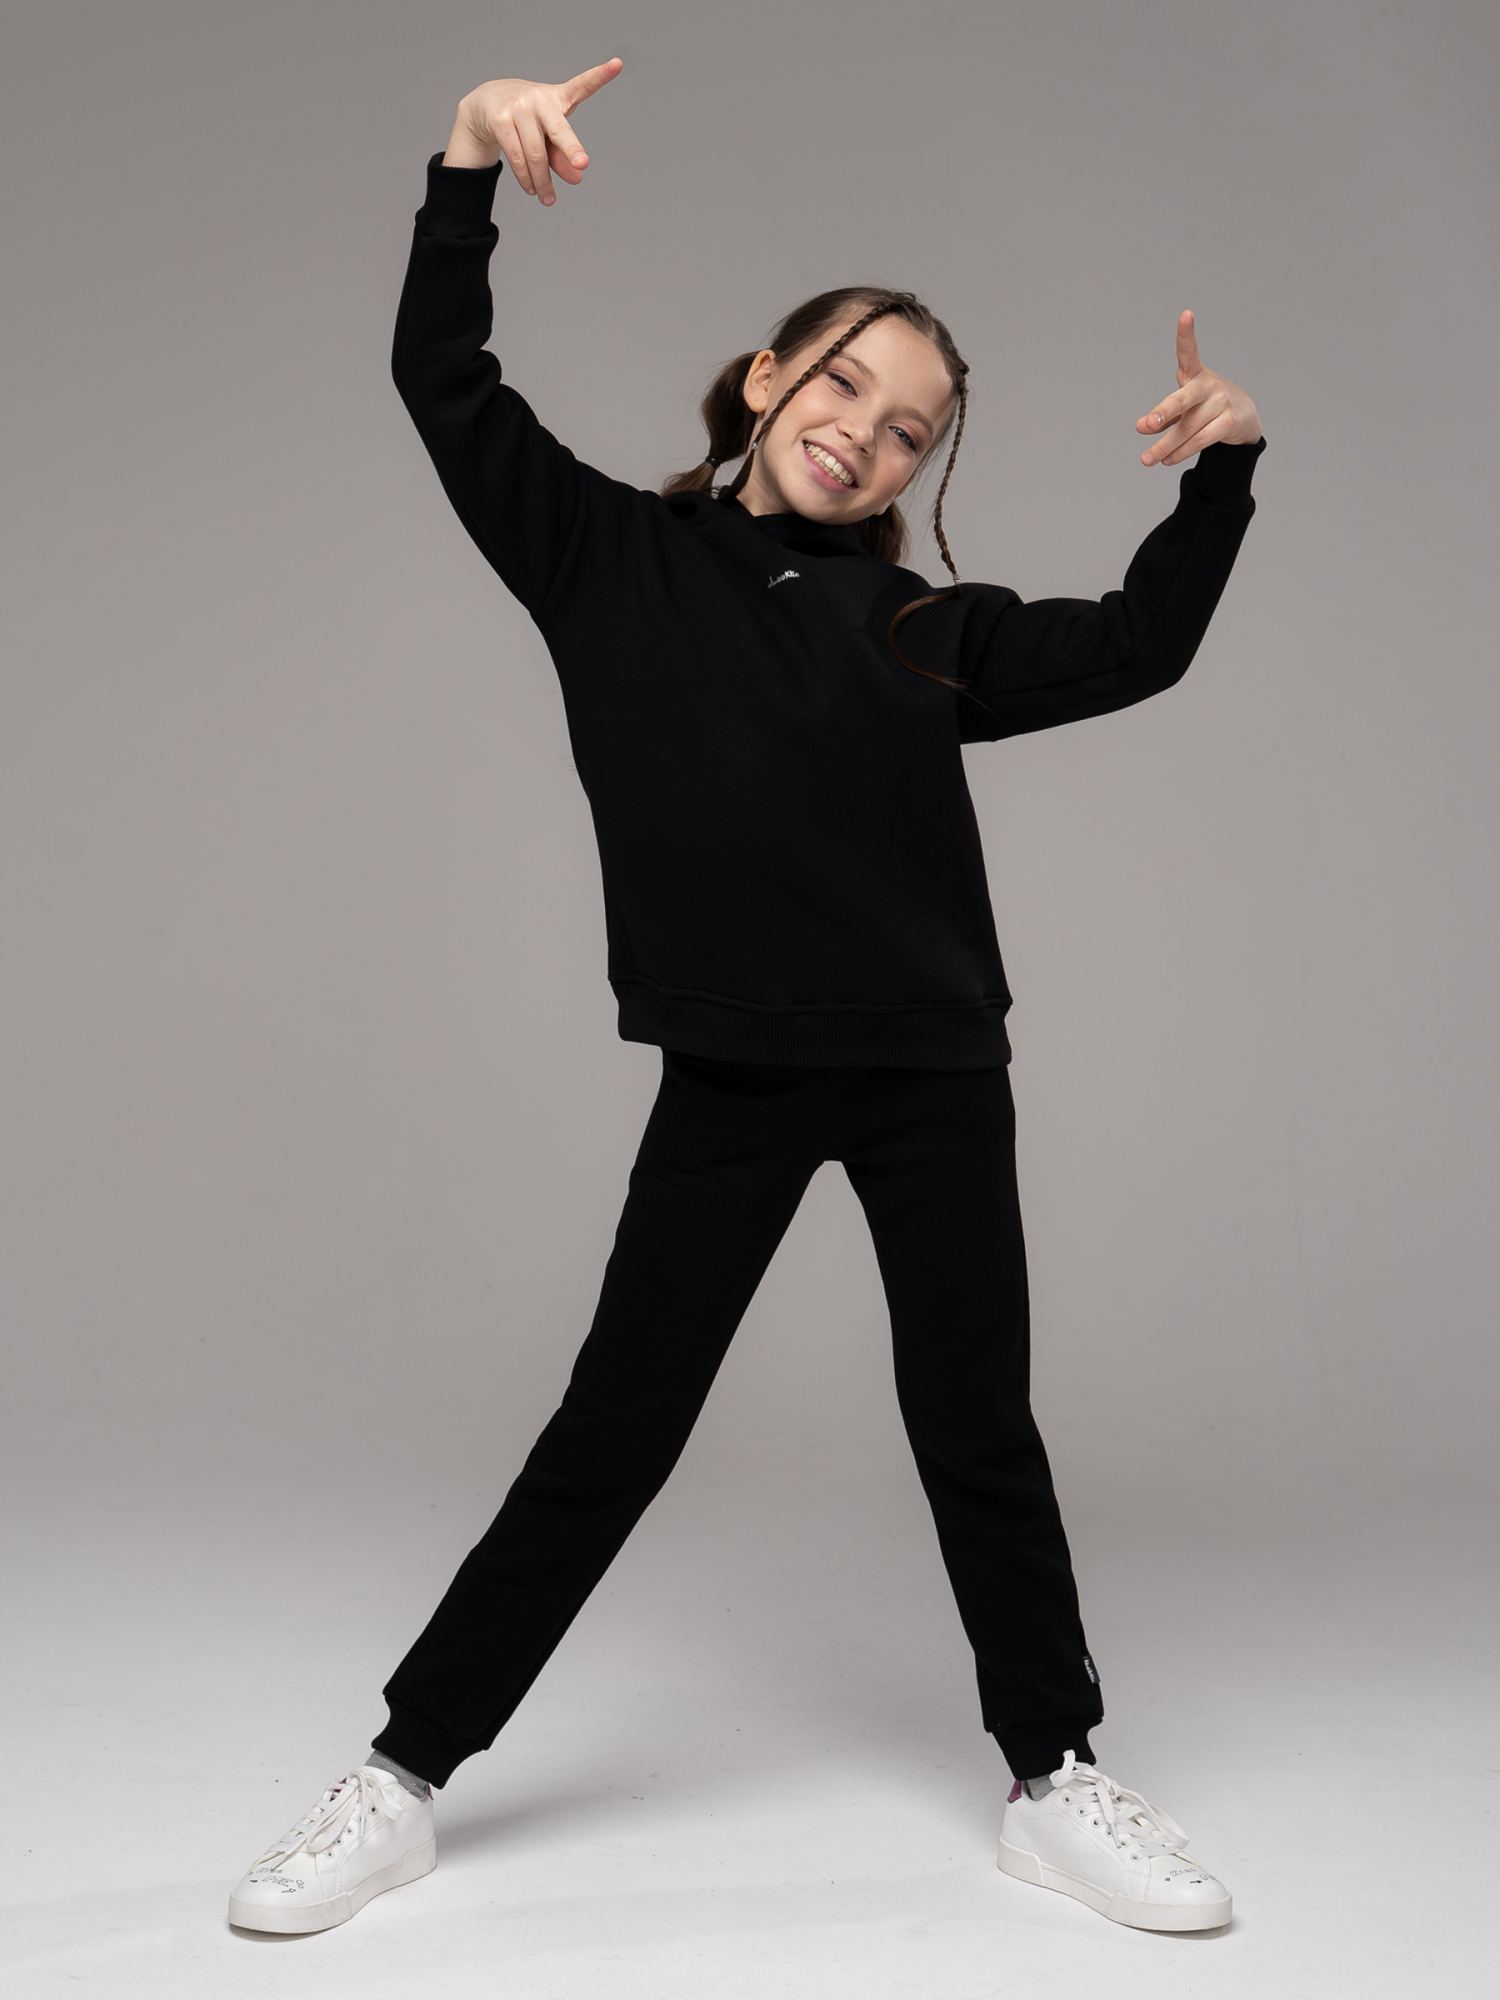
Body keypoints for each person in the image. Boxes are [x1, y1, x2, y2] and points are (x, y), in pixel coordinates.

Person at [229, 56, 1265, 1938]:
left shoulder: (924, 630)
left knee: (980, 1431)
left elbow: (1140, 644)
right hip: (734, 1076)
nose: (865, 435)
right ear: (769, 376)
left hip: (932, 1073)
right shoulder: (608, 558)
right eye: (844, 384)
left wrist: (1225, 473)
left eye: (910, 429)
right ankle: (399, 1779)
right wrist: (465, 161)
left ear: (919, 474)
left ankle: (1055, 1779)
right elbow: (443, 379)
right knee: (611, 1435)